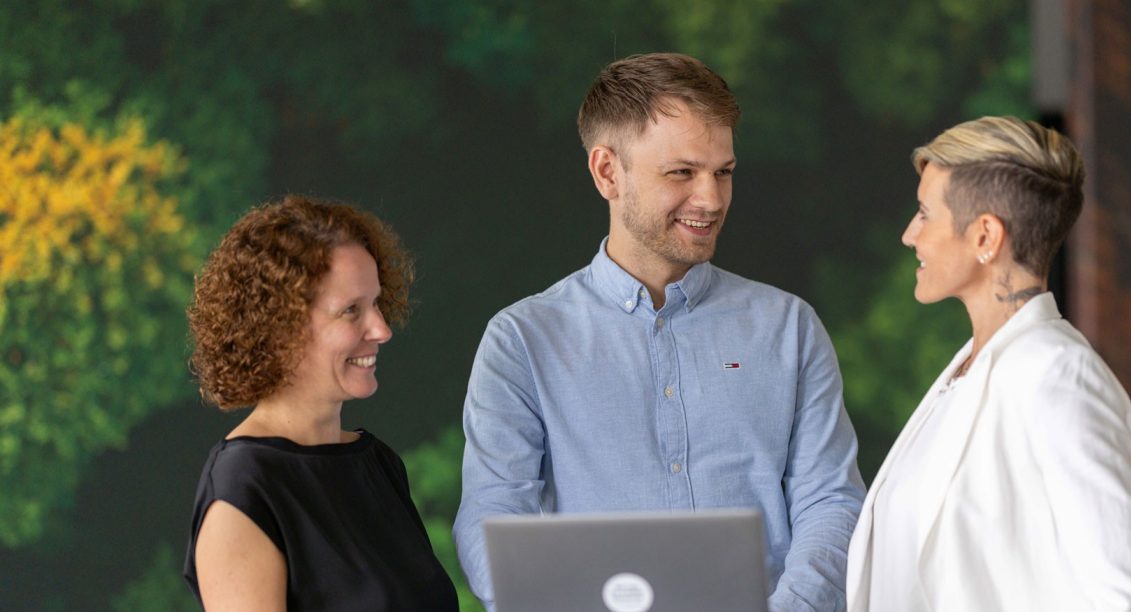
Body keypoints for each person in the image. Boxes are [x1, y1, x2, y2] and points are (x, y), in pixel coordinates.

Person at [453, 52, 866, 611]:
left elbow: (832, 503)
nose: (711, 199)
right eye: (682, 172)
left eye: (723, 172)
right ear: (607, 172)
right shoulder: (523, 340)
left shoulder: (789, 328)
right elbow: (492, 516)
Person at [845, 117, 1131, 611]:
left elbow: (1130, 601)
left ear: (985, 237)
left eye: (924, 213)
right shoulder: (969, 375)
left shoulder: (1059, 378)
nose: (910, 235)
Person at [183, 195, 457, 610]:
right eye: (351, 310)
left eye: (377, 304)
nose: (382, 328)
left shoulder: (376, 463)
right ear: (279, 328)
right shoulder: (243, 490)